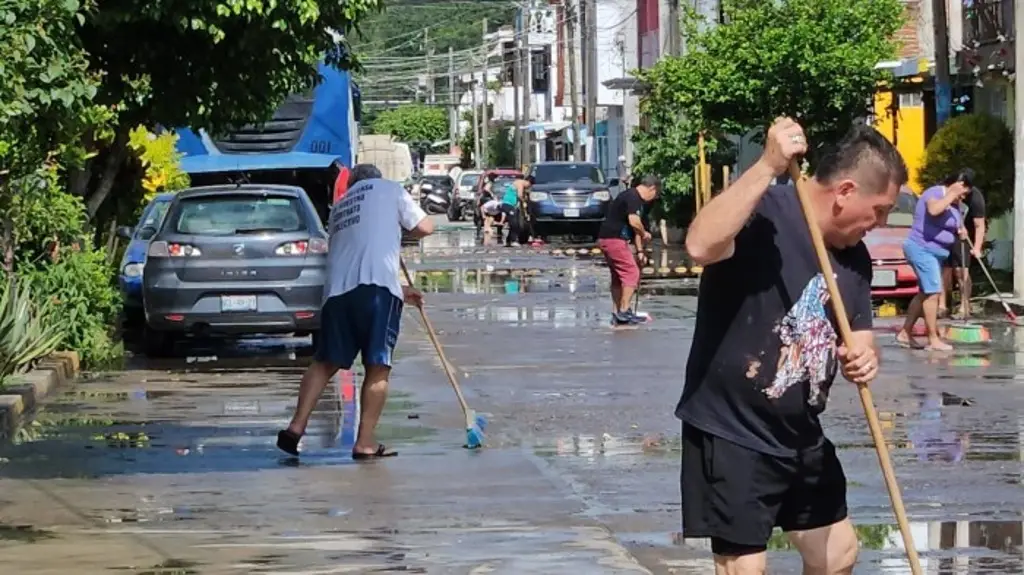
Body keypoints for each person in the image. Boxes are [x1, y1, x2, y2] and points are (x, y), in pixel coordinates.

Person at [678, 118, 907, 575]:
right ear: (844, 192)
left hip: (800, 434)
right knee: (745, 568)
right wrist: (768, 164)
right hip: (733, 430)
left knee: (838, 554)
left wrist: (865, 356)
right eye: (879, 209)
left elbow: (859, 335)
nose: (880, 223)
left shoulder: (853, 258)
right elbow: (700, 246)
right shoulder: (764, 217)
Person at [277, 164, 434, 459]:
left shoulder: (340, 208)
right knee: (378, 365)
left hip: (337, 294)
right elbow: (425, 227)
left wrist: (401, 289)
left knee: (324, 362)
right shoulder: (390, 189)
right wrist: (400, 227)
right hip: (376, 291)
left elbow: (356, 259)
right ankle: (364, 442)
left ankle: (295, 427)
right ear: (376, 177)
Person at [897, 170, 974, 351]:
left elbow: (954, 225)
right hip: (921, 248)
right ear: (956, 184)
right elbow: (933, 210)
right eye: (963, 192)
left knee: (925, 292)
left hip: (935, 253)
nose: (963, 196)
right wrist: (952, 194)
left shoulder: (956, 206)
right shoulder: (935, 193)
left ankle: (905, 333)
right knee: (933, 291)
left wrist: (961, 232)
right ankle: (933, 339)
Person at [596, 174, 661, 325]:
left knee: (618, 277)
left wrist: (640, 252)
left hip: (609, 239)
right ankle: (624, 312)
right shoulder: (633, 197)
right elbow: (634, 222)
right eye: (655, 195)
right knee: (632, 273)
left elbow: (636, 229)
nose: (654, 198)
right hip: (614, 239)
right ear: (651, 188)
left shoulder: (634, 200)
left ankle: (617, 311)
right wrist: (644, 233)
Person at [942, 185, 986, 319]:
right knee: (944, 270)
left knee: (961, 270)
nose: (962, 196)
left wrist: (977, 248)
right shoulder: (945, 192)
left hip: (965, 236)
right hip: (944, 232)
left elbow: (979, 225)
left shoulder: (975, 198)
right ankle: (942, 305)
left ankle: (964, 306)